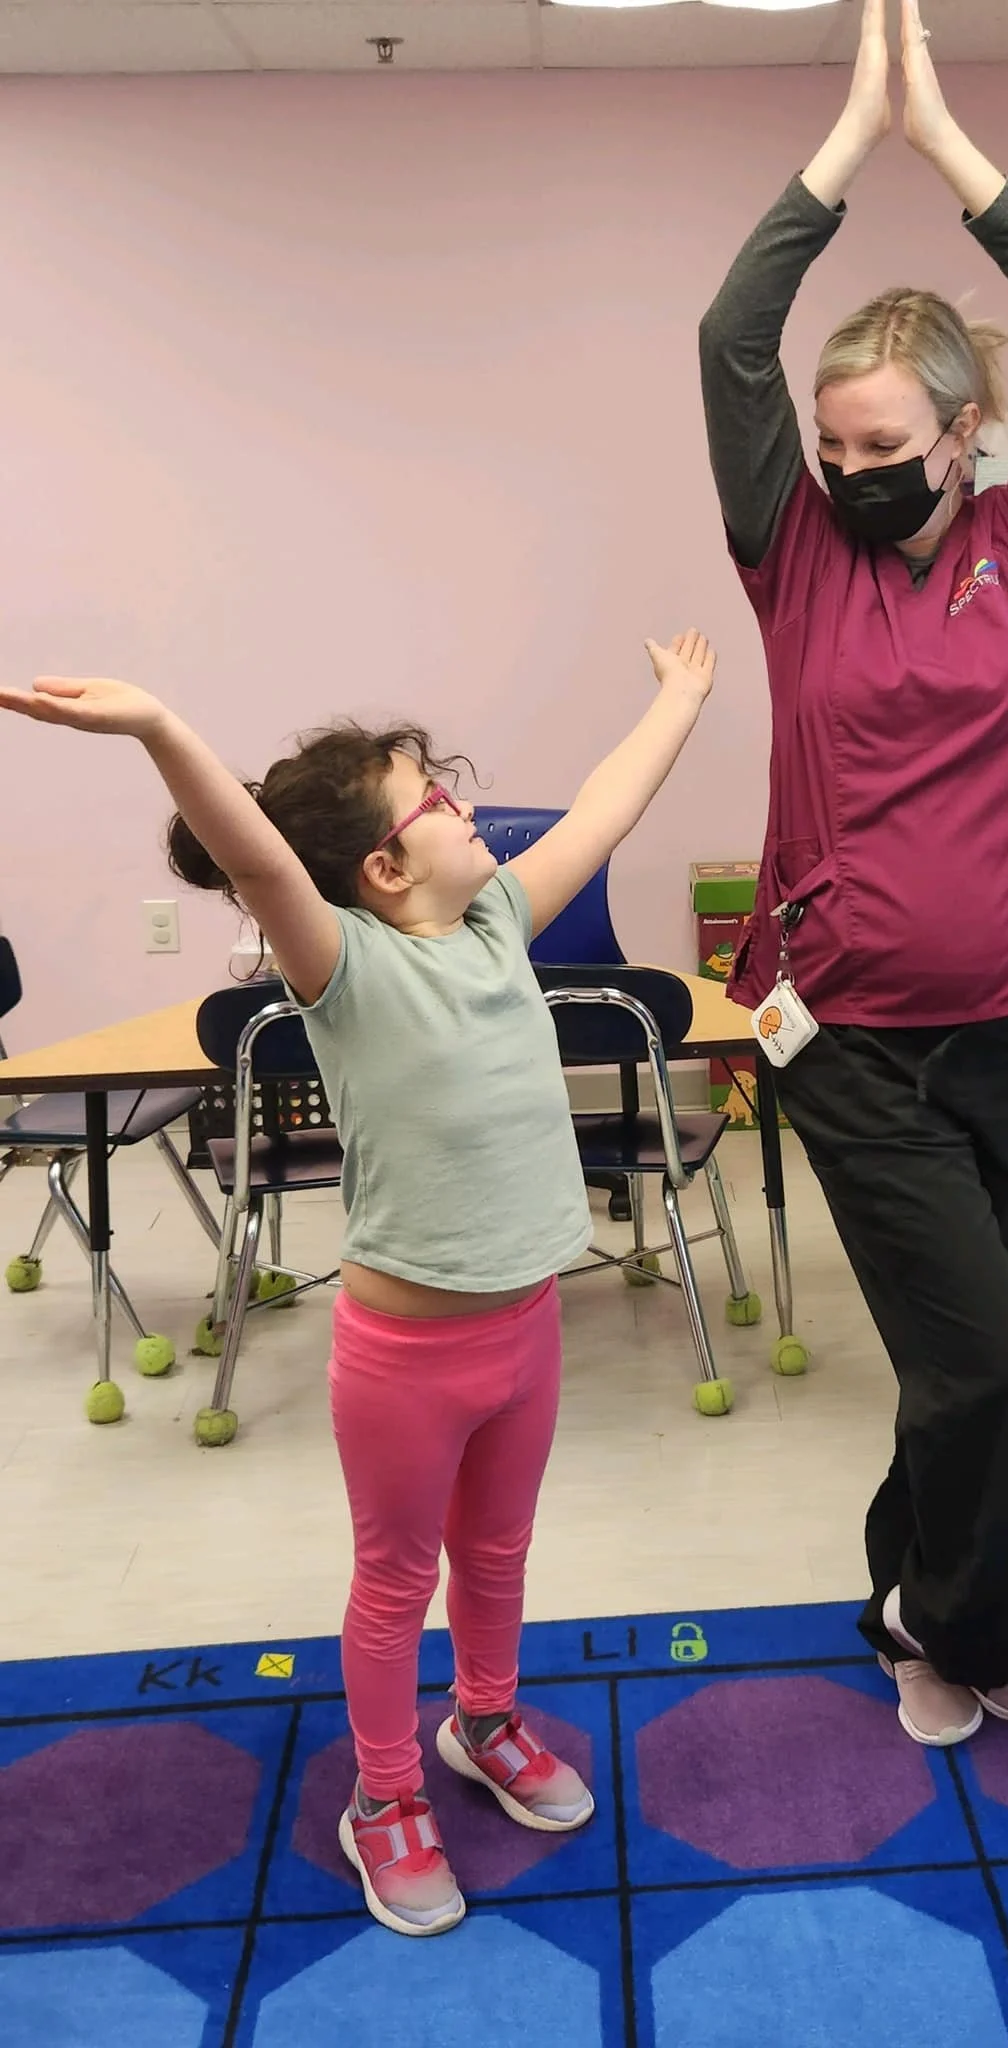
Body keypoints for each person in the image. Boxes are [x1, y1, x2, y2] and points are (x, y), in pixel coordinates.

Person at [0, 632, 716, 1933]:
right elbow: (260, 856)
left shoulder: (499, 918)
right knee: (397, 1580)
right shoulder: (345, 967)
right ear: (384, 868)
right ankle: (385, 1795)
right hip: (406, 1359)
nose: (468, 804)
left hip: (527, 1328)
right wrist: (161, 726)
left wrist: (678, 699)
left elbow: (608, 807)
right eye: (437, 801)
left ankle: (484, 1721)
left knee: (497, 1553)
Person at [699, 0, 1008, 1749]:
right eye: (835, 444)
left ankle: (912, 1596)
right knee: (986, 1363)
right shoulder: (791, 548)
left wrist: (950, 145)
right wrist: (846, 142)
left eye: (887, 445)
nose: (853, 471)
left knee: (973, 1362)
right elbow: (732, 335)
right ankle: (961, 1629)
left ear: (965, 432)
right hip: (845, 1032)